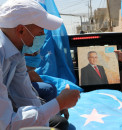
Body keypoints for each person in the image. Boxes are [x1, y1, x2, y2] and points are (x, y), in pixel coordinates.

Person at [0, 0, 80, 129]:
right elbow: (7, 123)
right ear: (21, 30)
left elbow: (26, 97)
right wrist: (59, 103)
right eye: (40, 32)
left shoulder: (17, 53)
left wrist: (52, 109)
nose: (42, 37)